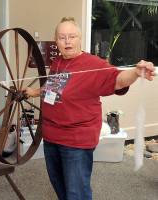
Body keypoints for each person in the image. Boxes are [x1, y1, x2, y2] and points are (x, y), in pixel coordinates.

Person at [25, 17, 156, 200]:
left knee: (76, 192)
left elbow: (117, 79)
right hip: (51, 136)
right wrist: (34, 92)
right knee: (60, 186)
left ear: (80, 38)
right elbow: (53, 89)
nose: (67, 41)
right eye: (62, 37)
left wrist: (135, 72)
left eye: (72, 36)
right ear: (56, 41)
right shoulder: (57, 63)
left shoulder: (93, 64)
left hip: (76, 140)